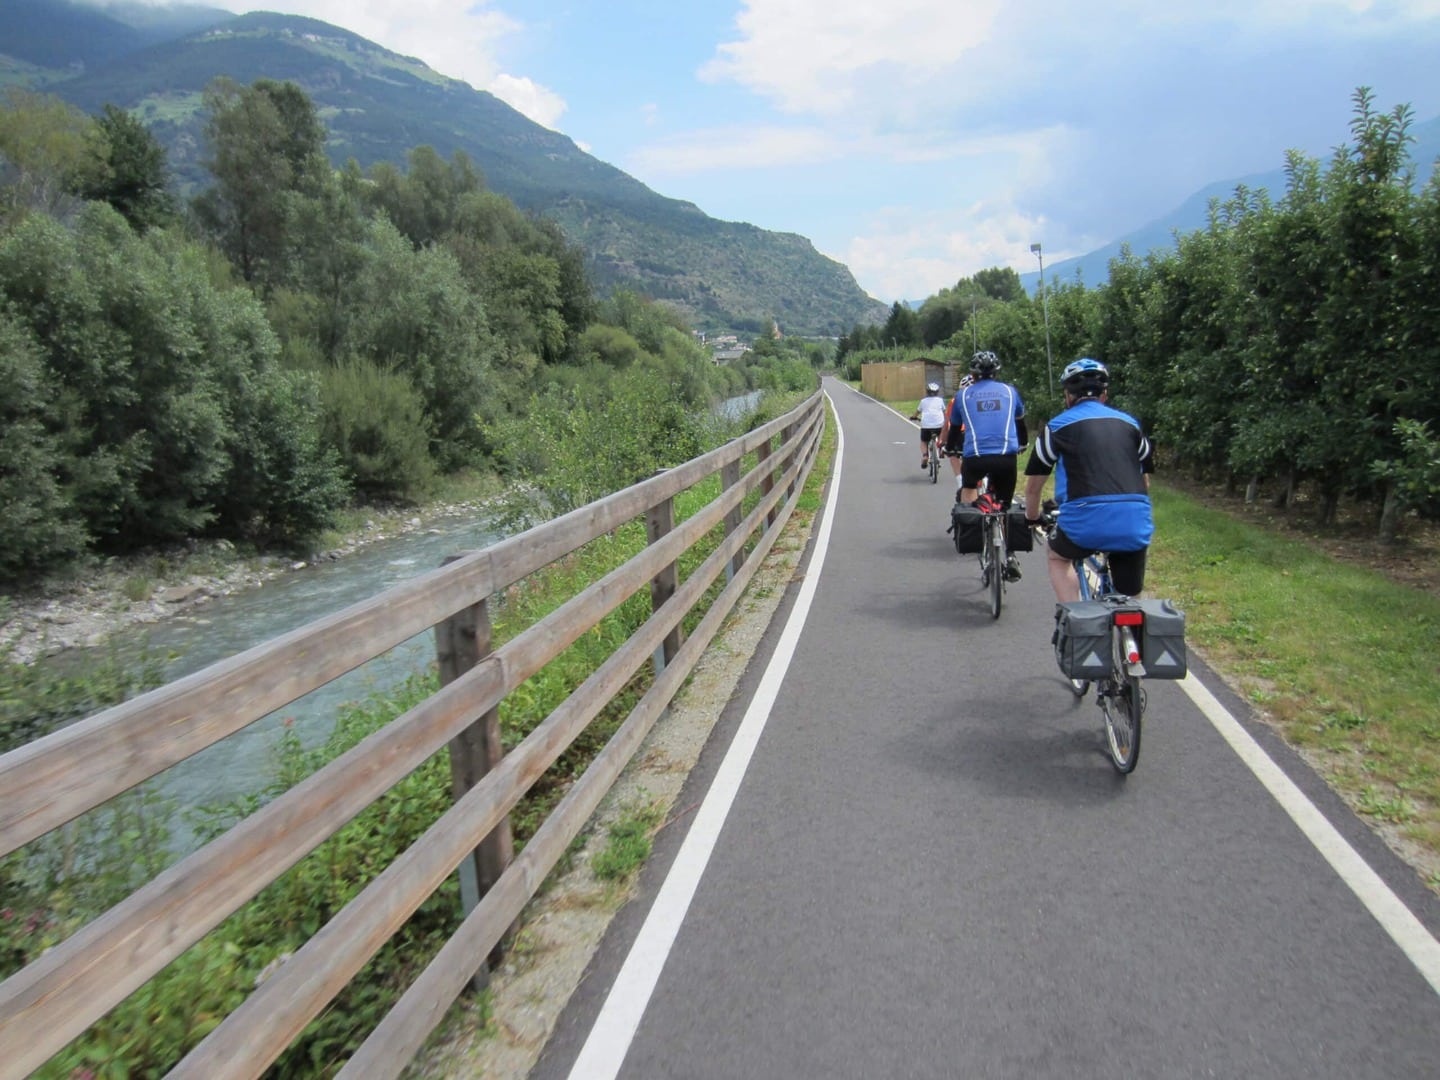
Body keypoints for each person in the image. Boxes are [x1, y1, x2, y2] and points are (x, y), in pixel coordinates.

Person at [1023, 358, 1154, 602]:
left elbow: (1033, 488)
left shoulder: (1056, 427)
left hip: (1083, 523)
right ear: (1104, 395)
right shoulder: (1131, 425)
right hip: (1133, 522)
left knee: (1057, 556)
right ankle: (1134, 635)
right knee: (1132, 596)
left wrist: (1032, 518)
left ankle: (1073, 619)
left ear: (1068, 396)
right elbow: (1144, 483)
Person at [939, 351, 1028, 508]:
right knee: (1005, 505)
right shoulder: (1010, 391)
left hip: (975, 458)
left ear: (972, 374)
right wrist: (1024, 443)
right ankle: (1003, 523)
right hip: (1006, 457)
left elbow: (954, 428)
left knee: (969, 488)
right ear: (996, 373)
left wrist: (950, 448)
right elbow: (1020, 423)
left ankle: (970, 525)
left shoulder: (963, 395)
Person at [914, 381, 947, 470]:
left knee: (924, 441)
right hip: (939, 424)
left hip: (926, 426)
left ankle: (925, 456)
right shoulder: (940, 401)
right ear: (937, 392)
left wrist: (913, 417)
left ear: (927, 392)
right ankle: (941, 449)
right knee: (941, 435)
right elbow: (945, 412)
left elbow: (917, 412)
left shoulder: (923, 401)